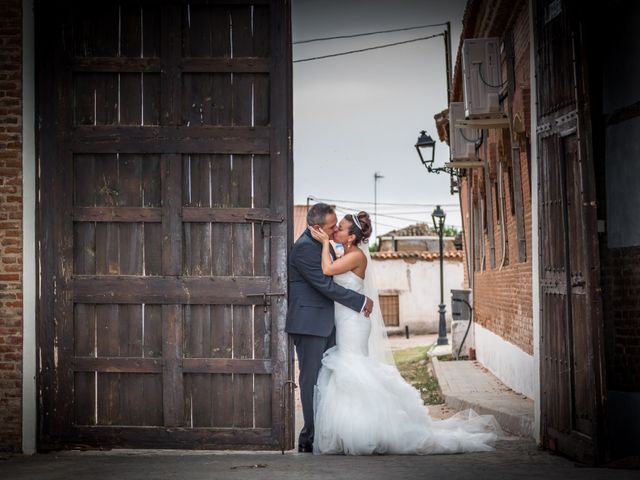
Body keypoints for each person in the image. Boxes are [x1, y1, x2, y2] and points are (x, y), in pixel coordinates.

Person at [309, 211, 500, 455]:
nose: (335, 230)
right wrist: (330, 245)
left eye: (341, 229)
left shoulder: (356, 256)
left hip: (353, 324)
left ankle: (368, 430)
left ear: (351, 237)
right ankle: (355, 429)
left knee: (353, 368)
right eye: (335, 228)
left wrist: (325, 242)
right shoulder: (345, 252)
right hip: (346, 319)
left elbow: (326, 270)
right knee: (349, 371)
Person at [285, 203, 374, 453]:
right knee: (311, 380)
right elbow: (324, 285)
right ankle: (310, 437)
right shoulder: (304, 248)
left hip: (331, 323)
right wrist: (360, 300)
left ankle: (328, 431)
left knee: (330, 381)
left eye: (337, 225)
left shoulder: (324, 245)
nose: (335, 229)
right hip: (310, 325)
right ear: (316, 228)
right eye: (331, 226)